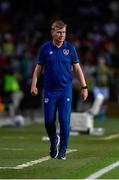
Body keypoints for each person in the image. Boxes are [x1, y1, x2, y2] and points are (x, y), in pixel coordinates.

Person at [30, 20, 88, 160]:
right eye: (59, 32)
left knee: (64, 120)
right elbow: (38, 69)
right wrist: (33, 85)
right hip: (49, 91)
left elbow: (77, 68)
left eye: (64, 32)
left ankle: (63, 150)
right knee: (49, 121)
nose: (62, 35)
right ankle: (53, 140)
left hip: (65, 91)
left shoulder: (70, 48)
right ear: (53, 32)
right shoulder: (45, 49)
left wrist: (84, 87)